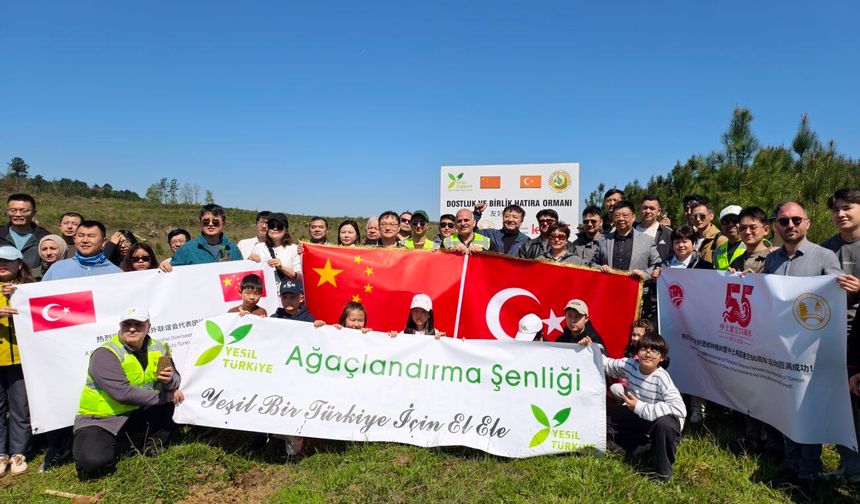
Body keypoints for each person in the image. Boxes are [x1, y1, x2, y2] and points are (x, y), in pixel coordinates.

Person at [764, 201, 844, 489]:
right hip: (780, 348)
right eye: (783, 221)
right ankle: (792, 465)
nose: (790, 225)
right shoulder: (772, 260)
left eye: (796, 219)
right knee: (786, 407)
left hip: (811, 350)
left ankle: (809, 473)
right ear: (776, 226)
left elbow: (837, 297)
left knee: (807, 411)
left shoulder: (824, 257)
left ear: (807, 223)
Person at [72, 307, 183, 479]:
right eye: (127, 324)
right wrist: (165, 396)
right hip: (102, 419)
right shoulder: (106, 353)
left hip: (139, 412)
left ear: (149, 327)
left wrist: (169, 381)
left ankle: (151, 443)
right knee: (92, 463)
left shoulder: (159, 348)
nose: (132, 328)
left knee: (174, 404)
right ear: (120, 325)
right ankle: (116, 444)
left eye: (138, 324)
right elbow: (123, 394)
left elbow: (176, 380)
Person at [577, 332, 686, 483]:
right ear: (637, 352)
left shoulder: (662, 378)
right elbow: (605, 363)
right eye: (644, 348)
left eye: (655, 350)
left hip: (657, 421)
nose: (648, 352)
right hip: (636, 412)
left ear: (661, 358)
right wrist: (589, 348)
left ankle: (662, 474)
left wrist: (640, 407)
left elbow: (679, 409)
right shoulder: (630, 365)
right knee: (600, 418)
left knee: (665, 425)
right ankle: (637, 449)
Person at [820, 188, 860, 484]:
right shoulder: (826, 249)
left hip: (858, 336)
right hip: (828, 336)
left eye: (847, 207)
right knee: (843, 404)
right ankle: (851, 467)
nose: (840, 214)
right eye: (835, 210)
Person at [0, 246, 35, 475]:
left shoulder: (30, 289)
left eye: (8, 261)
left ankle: (19, 451)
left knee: (21, 406)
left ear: (19, 264)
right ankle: (1, 454)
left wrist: (22, 297)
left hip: (23, 360)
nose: (3, 265)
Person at [591, 200, 662, 281]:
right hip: (609, 289)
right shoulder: (603, 240)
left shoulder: (647, 240)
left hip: (637, 290)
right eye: (617, 216)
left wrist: (644, 274)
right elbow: (592, 264)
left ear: (633, 217)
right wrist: (600, 267)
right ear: (613, 218)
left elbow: (657, 265)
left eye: (625, 216)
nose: (621, 219)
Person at [164, 204, 243, 269]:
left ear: (223, 223)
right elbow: (171, 276)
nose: (210, 224)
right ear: (200, 223)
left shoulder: (233, 249)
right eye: (206, 222)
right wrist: (163, 268)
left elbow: (242, 275)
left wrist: (252, 262)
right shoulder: (186, 249)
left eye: (215, 222)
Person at [42, 221, 123, 281]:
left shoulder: (116, 273)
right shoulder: (56, 269)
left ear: (103, 241)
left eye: (91, 236)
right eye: (81, 236)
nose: (85, 240)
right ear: (75, 239)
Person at [248, 213, 300, 292]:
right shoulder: (258, 248)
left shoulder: (294, 249)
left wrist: (281, 268)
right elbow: (251, 274)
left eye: (279, 226)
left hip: (286, 297)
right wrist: (254, 264)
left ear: (285, 230)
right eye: (272, 226)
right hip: (265, 295)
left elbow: (299, 277)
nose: (275, 229)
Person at [0, 193, 49, 270]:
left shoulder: (45, 237)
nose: (18, 214)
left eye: (24, 211)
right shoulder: (1, 234)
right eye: (13, 210)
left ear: (34, 213)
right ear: (7, 212)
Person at [729, 207, 772, 274]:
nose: (747, 232)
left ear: (766, 230)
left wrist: (755, 280)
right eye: (743, 228)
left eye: (753, 227)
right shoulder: (735, 262)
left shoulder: (774, 259)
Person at [636, 196, 674, 262]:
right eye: (645, 208)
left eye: (652, 208)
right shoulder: (631, 229)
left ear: (659, 211)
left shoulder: (668, 233)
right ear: (640, 209)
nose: (648, 211)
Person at [689, 199, 727, 264]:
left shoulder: (720, 239)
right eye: (695, 216)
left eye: (702, 216)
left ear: (711, 216)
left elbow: (722, 268)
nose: (698, 219)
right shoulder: (690, 238)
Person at [713, 205, 746, 271]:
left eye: (735, 220)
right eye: (725, 221)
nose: (730, 225)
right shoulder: (718, 251)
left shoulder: (756, 245)